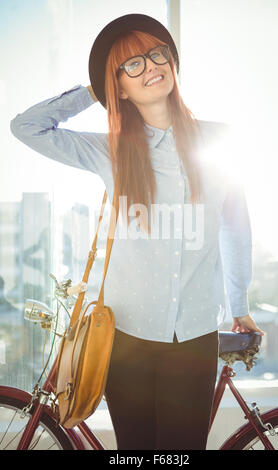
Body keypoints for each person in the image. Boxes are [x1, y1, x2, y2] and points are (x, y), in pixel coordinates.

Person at [10, 13, 264, 450]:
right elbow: (25, 126)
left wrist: (239, 304)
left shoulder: (219, 142)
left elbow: (235, 230)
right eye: (132, 64)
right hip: (125, 337)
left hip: (195, 336)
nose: (150, 66)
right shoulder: (110, 151)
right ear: (119, 86)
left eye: (156, 53)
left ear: (172, 61)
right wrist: (95, 88)